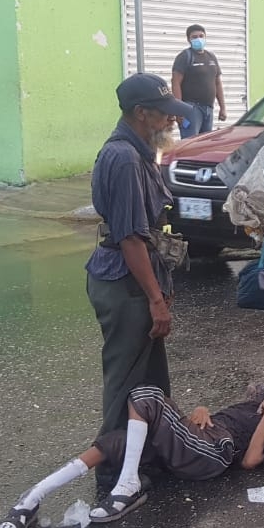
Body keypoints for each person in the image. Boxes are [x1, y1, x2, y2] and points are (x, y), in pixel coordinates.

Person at [0, 367, 264, 528]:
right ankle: (33, 498)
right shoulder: (257, 401)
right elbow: (220, 418)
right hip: (194, 437)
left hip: (213, 454)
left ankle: (127, 486)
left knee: (146, 395)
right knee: (117, 442)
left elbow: (251, 460)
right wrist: (201, 409)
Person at [86, 73, 191, 491]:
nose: (170, 119)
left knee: (149, 377)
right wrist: (156, 300)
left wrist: (161, 288)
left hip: (137, 277)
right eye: (163, 112)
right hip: (125, 282)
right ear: (140, 113)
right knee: (126, 380)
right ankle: (112, 468)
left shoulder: (140, 150)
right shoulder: (125, 159)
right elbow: (131, 238)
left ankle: (147, 453)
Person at [172, 24, 226, 139]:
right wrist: (179, 110)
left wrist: (222, 107)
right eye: (194, 37)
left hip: (208, 109)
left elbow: (217, 83)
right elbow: (175, 82)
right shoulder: (184, 57)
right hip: (191, 109)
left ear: (205, 37)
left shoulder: (211, 57)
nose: (198, 39)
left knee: (205, 146)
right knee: (190, 145)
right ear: (188, 40)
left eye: (201, 36)